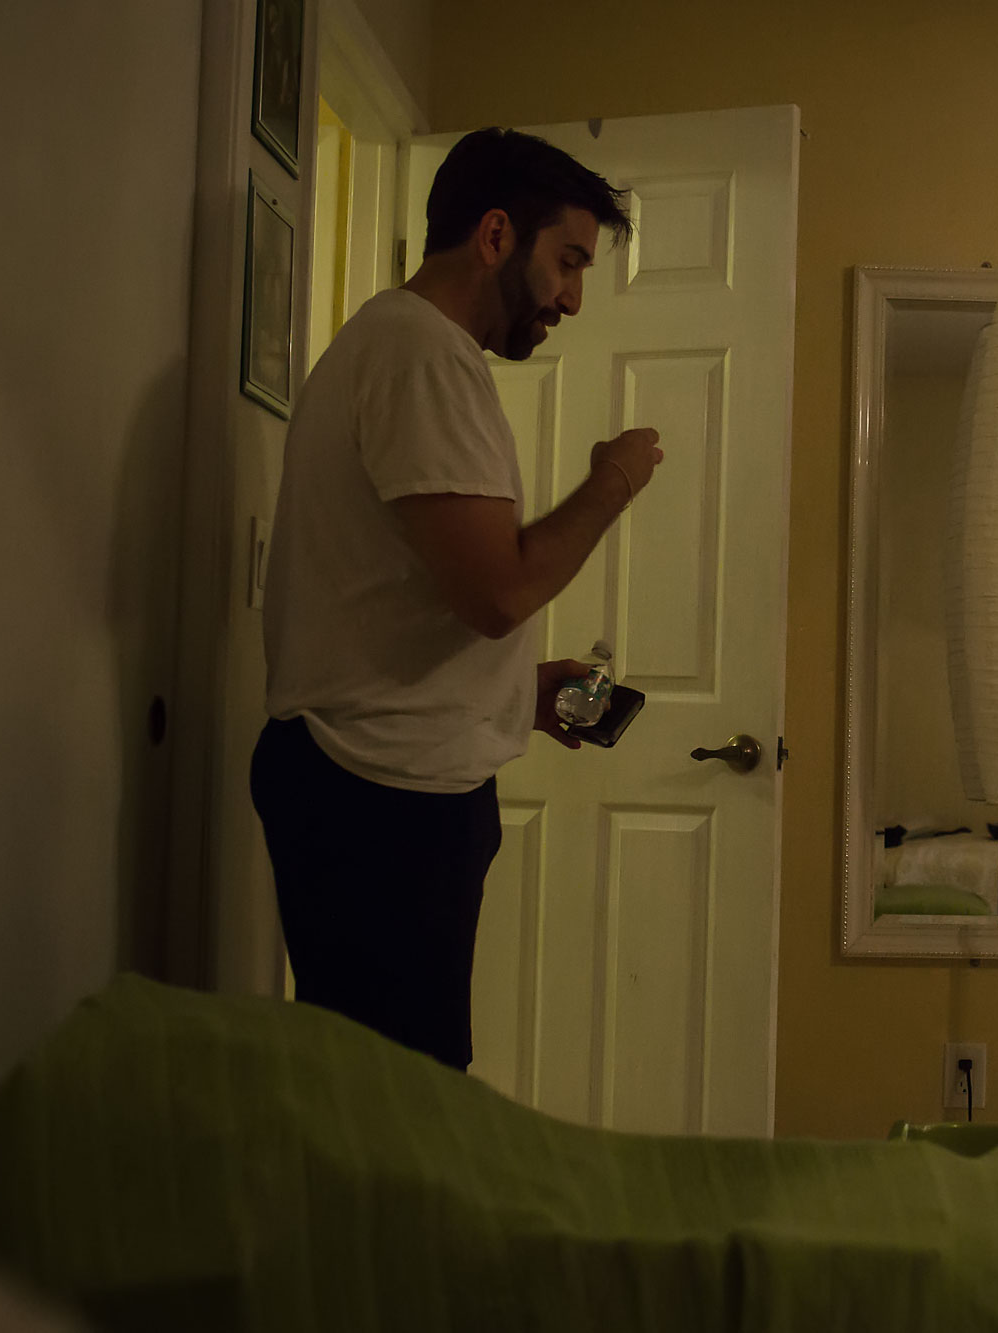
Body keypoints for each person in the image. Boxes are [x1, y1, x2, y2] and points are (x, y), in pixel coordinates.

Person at [251, 128, 664, 1070]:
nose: (573, 296)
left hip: (377, 784)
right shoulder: (420, 356)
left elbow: (400, 597)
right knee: (399, 1106)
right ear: (493, 235)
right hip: (379, 802)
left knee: (387, 1093)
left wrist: (514, 691)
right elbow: (497, 591)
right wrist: (612, 482)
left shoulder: (401, 349)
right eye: (567, 261)